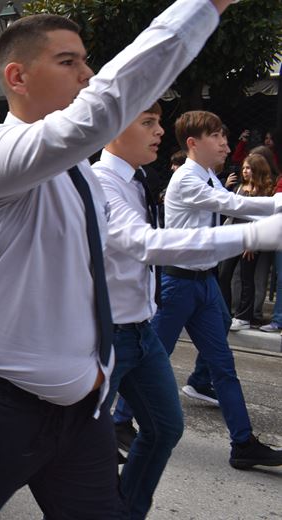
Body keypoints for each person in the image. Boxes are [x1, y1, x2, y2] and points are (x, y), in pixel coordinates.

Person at [0, 1, 238, 518]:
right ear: (17, 77)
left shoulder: (81, 173)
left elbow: (117, 253)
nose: (86, 74)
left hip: (80, 409)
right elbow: (99, 110)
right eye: (68, 62)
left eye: (86, 61)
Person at [93, 104, 282, 518]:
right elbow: (147, 242)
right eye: (148, 123)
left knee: (175, 417)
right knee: (70, 448)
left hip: (158, 312)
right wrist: (258, 231)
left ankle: (240, 442)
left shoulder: (139, 179)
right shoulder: (107, 182)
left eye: (158, 122)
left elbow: (228, 201)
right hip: (125, 320)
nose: (160, 132)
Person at [150, 109, 282, 469]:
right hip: (178, 284)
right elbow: (233, 205)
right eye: (217, 137)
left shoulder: (209, 176)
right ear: (194, 143)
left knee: (224, 366)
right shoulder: (187, 180)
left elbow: (226, 215)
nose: (226, 143)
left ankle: (243, 443)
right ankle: (117, 422)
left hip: (204, 283)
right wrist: (276, 204)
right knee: (150, 359)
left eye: (224, 136)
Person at [218, 153, 275, 331]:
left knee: (246, 277)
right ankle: (225, 312)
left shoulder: (265, 191)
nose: (244, 171)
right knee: (224, 274)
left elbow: (264, 218)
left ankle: (243, 317)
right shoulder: (239, 188)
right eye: (243, 168)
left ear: (257, 169)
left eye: (248, 168)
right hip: (234, 236)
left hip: (250, 238)